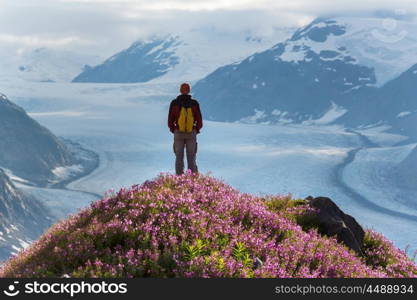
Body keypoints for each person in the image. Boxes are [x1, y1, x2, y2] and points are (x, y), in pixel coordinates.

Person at [168, 83, 203, 175]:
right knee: (191, 157)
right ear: (189, 90)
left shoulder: (174, 103)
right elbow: (199, 120)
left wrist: (175, 130)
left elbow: (170, 120)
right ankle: (192, 179)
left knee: (179, 157)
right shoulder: (194, 103)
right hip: (191, 133)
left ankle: (179, 178)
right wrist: (195, 130)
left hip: (178, 133)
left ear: (180, 90)